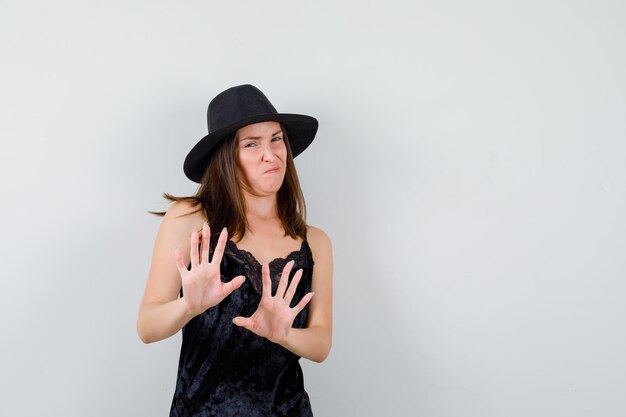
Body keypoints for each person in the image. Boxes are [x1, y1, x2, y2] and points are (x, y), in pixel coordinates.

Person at [136, 84, 333, 417]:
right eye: (251, 144)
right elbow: (147, 327)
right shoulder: (190, 220)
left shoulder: (314, 242)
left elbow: (321, 344)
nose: (270, 154)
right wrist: (189, 305)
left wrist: (283, 334)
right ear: (228, 157)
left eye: (276, 139)